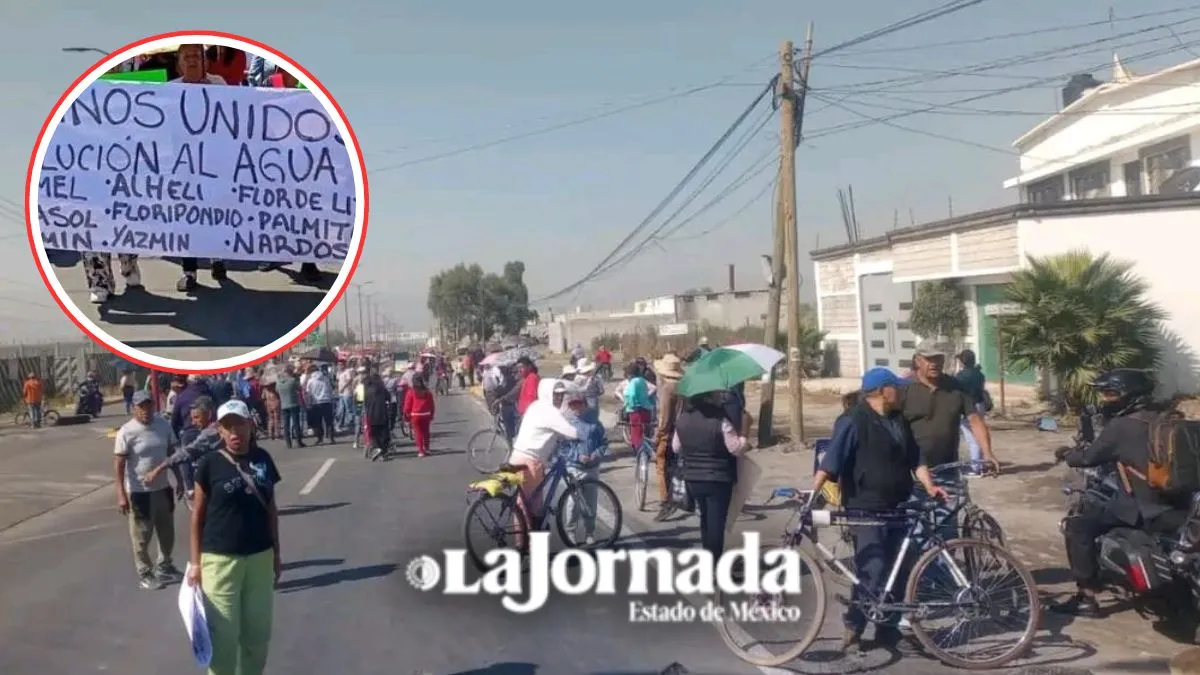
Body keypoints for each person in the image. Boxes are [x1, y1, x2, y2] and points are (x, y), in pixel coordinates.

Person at [812, 367, 948, 652]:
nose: (900, 391)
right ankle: (855, 625)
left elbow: (916, 458)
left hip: (899, 502)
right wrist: (812, 494)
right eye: (895, 387)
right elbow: (831, 461)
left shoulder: (899, 419)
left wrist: (930, 485)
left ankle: (888, 628)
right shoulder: (852, 420)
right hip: (865, 506)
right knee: (872, 568)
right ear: (883, 391)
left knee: (900, 566)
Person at [1053, 368, 1193, 618]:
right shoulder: (1172, 419)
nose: (1105, 399)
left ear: (1130, 396)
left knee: (1079, 526)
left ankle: (1087, 597)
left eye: (1110, 393)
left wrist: (1067, 454)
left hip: (1143, 508)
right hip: (1181, 505)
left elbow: (1088, 457)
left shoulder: (1122, 426)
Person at [187, 399, 282, 675]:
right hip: (220, 560)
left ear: (250, 425)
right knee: (224, 638)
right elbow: (197, 517)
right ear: (219, 430)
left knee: (257, 636)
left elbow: (271, 509)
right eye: (228, 426)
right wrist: (195, 563)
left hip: (260, 558)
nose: (234, 432)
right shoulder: (209, 463)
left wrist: (276, 554)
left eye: (239, 424)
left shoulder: (263, 459)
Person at [902, 340, 1000, 536]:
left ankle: (943, 567)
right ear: (918, 360)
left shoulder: (955, 387)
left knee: (947, 531)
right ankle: (919, 566)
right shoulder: (904, 388)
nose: (934, 363)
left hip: (947, 470)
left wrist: (988, 454)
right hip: (912, 473)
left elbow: (975, 421)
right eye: (929, 359)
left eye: (938, 358)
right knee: (916, 533)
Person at [171, 43, 229, 293]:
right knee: (188, 218)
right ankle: (189, 271)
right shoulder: (170, 90)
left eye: (197, 56)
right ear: (179, 63)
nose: (193, 60)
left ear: (206, 61)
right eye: (187, 57)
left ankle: (217, 259)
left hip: (214, 163)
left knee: (214, 214)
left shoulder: (219, 84)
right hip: (183, 164)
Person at [114, 390, 182, 589]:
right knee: (141, 536)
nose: (145, 410)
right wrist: (121, 494)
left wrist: (179, 479)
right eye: (140, 407)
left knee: (167, 532)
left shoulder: (163, 425)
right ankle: (145, 572)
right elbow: (118, 465)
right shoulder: (126, 432)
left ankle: (165, 566)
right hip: (139, 492)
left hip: (163, 488)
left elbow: (172, 454)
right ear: (133, 408)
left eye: (148, 406)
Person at [673, 390, 751, 559]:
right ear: (709, 397)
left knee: (705, 521)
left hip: (693, 478)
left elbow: (676, 448)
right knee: (716, 525)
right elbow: (735, 448)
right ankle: (714, 565)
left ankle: (708, 559)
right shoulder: (721, 421)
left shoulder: (682, 420)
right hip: (718, 478)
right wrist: (745, 432)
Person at [508, 379, 580, 537]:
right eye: (556, 395)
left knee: (522, 505)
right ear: (548, 394)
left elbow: (551, 429)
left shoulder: (535, 406)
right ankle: (535, 550)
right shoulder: (550, 412)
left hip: (516, 457)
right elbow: (572, 432)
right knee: (535, 509)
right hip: (530, 462)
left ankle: (522, 544)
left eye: (562, 395)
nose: (559, 399)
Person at [144, 396, 220, 506]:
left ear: (208, 415)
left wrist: (157, 470)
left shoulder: (211, 433)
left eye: (196, 417)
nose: (193, 423)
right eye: (192, 418)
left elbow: (186, 453)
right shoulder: (219, 428)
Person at [559, 388, 610, 544]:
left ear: (584, 403)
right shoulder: (567, 424)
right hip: (574, 468)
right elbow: (563, 448)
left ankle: (590, 532)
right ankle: (571, 532)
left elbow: (604, 443)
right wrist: (578, 456)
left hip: (592, 468)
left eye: (578, 404)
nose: (576, 408)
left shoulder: (595, 423)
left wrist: (594, 455)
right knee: (573, 503)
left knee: (590, 503)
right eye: (572, 405)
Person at [652, 354, 690, 521]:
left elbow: (665, 418)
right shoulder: (685, 387)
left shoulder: (668, 389)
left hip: (670, 432)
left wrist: (658, 434)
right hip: (684, 430)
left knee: (662, 466)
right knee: (678, 465)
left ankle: (666, 502)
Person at [954, 349, 991, 477]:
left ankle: (976, 468)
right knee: (979, 436)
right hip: (980, 405)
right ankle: (982, 464)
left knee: (972, 439)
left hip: (968, 408)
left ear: (963, 361)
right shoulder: (979, 374)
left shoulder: (960, 376)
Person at [622, 360, 655, 452]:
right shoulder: (642, 381)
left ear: (630, 374)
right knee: (645, 430)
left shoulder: (633, 382)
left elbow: (632, 395)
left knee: (636, 431)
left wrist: (632, 405)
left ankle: (638, 450)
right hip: (646, 408)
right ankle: (647, 448)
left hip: (636, 410)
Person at [172, 374, 213, 440]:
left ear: (189, 381)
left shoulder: (182, 396)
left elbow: (174, 421)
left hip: (189, 433)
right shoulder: (211, 395)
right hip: (210, 433)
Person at [363, 372, 393, 461]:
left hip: (371, 414)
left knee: (374, 434)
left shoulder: (367, 390)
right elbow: (389, 398)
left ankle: (377, 447)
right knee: (384, 434)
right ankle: (383, 452)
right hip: (382, 413)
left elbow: (363, 401)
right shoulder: (382, 389)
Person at [403, 375, 436, 458]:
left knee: (418, 433)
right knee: (426, 432)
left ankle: (421, 451)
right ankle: (427, 448)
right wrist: (431, 414)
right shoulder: (427, 392)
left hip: (415, 415)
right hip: (426, 414)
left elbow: (407, 406)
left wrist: (406, 415)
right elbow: (432, 405)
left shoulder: (411, 392)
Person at [303, 365, 336, 444]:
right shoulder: (325, 378)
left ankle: (319, 438)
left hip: (316, 403)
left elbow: (309, 393)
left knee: (317, 422)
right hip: (326, 401)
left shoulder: (310, 381)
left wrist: (309, 403)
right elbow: (330, 389)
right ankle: (331, 437)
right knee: (329, 421)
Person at [275, 366, 303, 449]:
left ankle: (288, 443)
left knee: (286, 425)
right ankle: (299, 441)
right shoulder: (292, 381)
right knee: (296, 423)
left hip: (284, 405)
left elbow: (277, 391)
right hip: (293, 403)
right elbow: (299, 388)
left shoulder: (278, 383)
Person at [573, 358, 604, 424]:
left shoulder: (577, 378)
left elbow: (575, 390)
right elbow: (601, 391)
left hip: (579, 399)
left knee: (580, 418)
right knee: (593, 418)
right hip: (592, 398)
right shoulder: (596, 378)